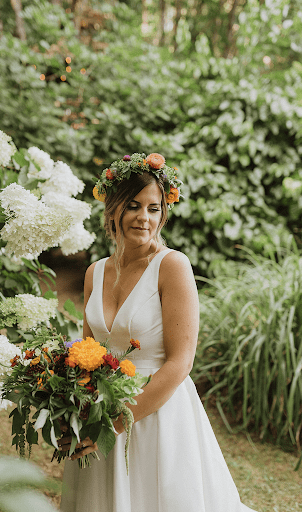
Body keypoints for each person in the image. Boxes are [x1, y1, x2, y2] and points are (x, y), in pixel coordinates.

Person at [59, 152, 256, 512]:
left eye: (154, 208)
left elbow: (181, 363)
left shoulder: (172, 266)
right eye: (134, 205)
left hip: (158, 415)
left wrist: (118, 422)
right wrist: (73, 413)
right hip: (102, 407)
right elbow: (86, 353)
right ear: (113, 208)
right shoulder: (94, 272)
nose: (144, 218)